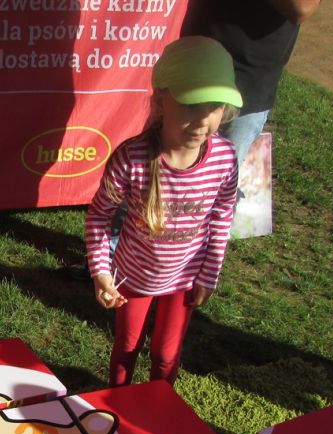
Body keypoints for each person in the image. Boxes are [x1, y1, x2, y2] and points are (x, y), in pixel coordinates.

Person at [85, 37, 241, 387]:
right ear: (161, 101)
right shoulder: (132, 158)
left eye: (215, 106)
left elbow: (222, 216)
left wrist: (209, 275)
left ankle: (159, 409)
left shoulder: (225, 158)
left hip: (184, 279)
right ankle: (117, 402)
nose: (202, 120)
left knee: (167, 355)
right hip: (133, 278)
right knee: (127, 348)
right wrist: (101, 273)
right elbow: (99, 216)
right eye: (191, 105)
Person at [182, 0, 321, 166]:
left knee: (219, 171)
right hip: (192, 59)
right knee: (171, 163)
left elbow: (302, 7)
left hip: (248, 80)